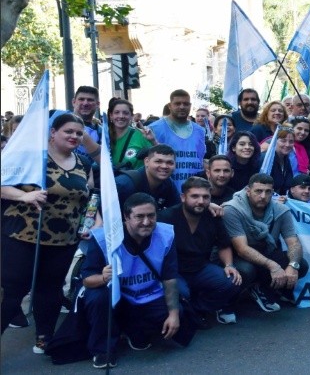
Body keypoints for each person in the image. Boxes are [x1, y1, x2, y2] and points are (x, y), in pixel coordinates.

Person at [1, 113, 93, 353]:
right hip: (24, 236)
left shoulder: (84, 163)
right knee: (14, 289)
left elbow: (88, 198)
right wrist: (24, 195)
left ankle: (44, 336)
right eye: (68, 131)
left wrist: (91, 222)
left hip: (64, 240)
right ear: (53, 133)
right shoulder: (31, 157)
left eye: (78, 133)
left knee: (50, 289)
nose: (74, 136)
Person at [81, 193, 196, 368]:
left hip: (145, 293)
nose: (146, 222)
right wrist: (103, 277)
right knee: (98, 298)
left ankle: (134, 331)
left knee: (176, 311)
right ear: (126, 217)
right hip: (114, 295)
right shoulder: (104, 238)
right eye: (139, 216)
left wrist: (173, 314)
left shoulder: (165, 234)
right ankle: (103, 349)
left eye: (151, 216)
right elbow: (87, 280)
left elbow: (169, 277)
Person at [158, 177, 241, 326]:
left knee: (231, 282)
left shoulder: (213, 216)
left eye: (205, 197)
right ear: (183, 197)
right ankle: (186, 311)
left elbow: (224, 245)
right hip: (174, 272)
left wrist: (229, 265)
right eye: (195, 196)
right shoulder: (167, 217)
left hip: (200, 268)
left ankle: (197, 309)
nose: (201, 201)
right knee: (182, 294)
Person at [223, 173, 308, 312]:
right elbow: (241, 249)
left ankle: (263, 288)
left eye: (268, 192)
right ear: (248, 191)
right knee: (246, 271)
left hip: (265, 251)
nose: (263, 196)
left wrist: (293, 266)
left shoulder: (280, 210)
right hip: (237, 256)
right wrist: (273, 266)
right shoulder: (232, 209)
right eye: (258, 191)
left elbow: (294, 243)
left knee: (301, 264)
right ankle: (227, 302)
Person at [148, 90, 206, 191]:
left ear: (190, 106)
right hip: (165, 190)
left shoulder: (200, 130)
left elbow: (200, 159)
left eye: (186, 104)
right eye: (177, 103)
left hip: (194, 191)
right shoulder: (154, 129)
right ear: (170, 106)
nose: (182, 107)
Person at [116, 144, 181, 210]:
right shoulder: (124, 185)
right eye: (158, 161)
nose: (164, 166)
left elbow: (177, 212)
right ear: (146, 161)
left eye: (170, 163)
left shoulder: (168, 183)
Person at [108, 98, 156, 171]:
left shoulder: (141, 135)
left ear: (131, 116)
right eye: (117, 112)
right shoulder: (104, 136)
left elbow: (160, 156)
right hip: (109, 181)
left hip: (136, 181)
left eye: (125, 113)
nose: (121, 116)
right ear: (111, 115)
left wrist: (153, 141)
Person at [270, 126, 300, 196]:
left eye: (291, 141)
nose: (287, 145)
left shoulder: (286, 160)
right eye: (283, 141)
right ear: (275, 141)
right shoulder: (268, 160)